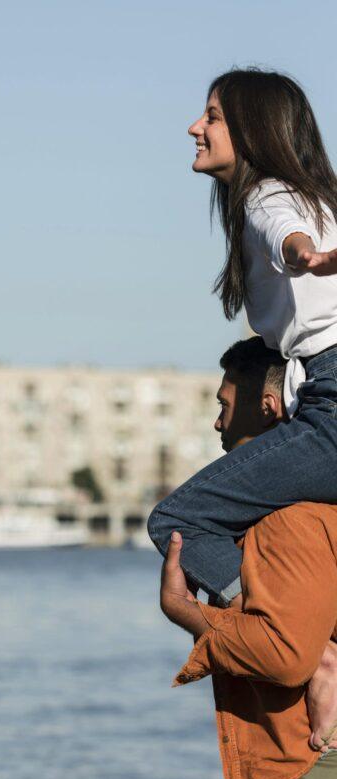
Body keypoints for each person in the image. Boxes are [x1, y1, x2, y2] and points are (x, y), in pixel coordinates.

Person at [148, 68, 337, 608]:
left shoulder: (265, 197)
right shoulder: (320, 198)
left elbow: (286, 235)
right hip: (319, 393)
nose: (194, 128)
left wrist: (307, 256)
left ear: (252, 131)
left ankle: (283, 630)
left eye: (212, 117)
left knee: (179, 519)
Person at [160, 337, 337, 779]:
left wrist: (185, 612)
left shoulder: (287, 520)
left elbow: (286, 657)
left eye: (224, 405)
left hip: (302, 766)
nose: (218, 422)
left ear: (267, 407)